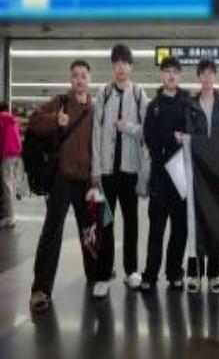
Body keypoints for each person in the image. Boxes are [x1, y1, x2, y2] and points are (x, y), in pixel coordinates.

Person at [29, 60, 95, 313]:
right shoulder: (60, 102)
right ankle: (41, 289)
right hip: (62, 179)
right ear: (71, 79)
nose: (79, 79)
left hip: (87, 180)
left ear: (89, 79)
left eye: (83, 75)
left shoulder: (94, 108)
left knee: (90, 231)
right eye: (75, 75)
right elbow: (34, 121)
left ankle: (95, 275)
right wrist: (56, 120)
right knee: (52, 232)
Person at [91, 44, 149, 298]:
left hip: (130, 171)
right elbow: (95, 134)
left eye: (125, 63)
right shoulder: (103, 93)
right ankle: (103, 275)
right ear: (112, 66)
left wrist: (128, 127)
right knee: (105, 223)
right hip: (106, 173)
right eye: (116, 63)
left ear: (130, 66)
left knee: (131, 222)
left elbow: (148, 129)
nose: (121, 68)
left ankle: (131, 270)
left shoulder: (138, 94)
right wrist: (95, 169)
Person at [140, 56, 191, 292]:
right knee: (156, 228)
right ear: (162, 75)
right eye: (167, 71)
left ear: (180, 76)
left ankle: (174, 272)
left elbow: (198, 130)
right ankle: (150, 274)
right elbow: (149, 137)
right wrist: (171, 137)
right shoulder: (154, 106)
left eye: (175, 72)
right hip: (160, 175)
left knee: (180, 228)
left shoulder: (189, 103)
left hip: (182, 174)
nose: (171, 75)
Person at [186, 58, 219, 294]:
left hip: (217, 173)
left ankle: (214, 275)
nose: (207, 77)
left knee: (216, 222)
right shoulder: (190, 106)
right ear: (199, 77)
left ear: (215, 77)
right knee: (194, 222)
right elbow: (188, 135)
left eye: (210, 73)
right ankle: (194, 273)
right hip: (196, 172)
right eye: (203, 73)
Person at [0, 102, 22, 229]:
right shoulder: (13, 120)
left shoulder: (1, 119)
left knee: (6, 185)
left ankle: (10, 217)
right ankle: (10, 215)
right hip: (16, 154)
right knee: (11, 184)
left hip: (7, 154)